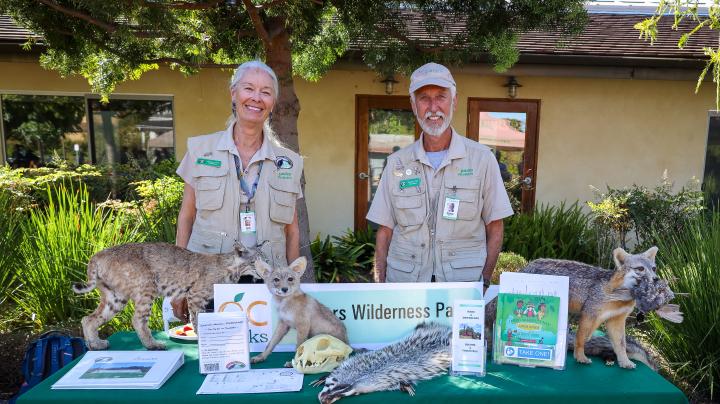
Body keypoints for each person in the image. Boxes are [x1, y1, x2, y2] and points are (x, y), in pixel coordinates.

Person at [171, 60, 304, 321]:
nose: (256, 98)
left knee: (266, 356)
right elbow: (186, 217)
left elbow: (292, 230)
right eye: (249, 89)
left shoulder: (288, 162)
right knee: (211, 356)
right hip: (207, 280)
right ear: (234, 93)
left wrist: (294, 287)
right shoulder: (201, 150)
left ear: (273, 102)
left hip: (268, 284)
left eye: (266, 92)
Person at [366, 62, 513, 288]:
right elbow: (385, 229)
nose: (433, 107)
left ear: (454, 101)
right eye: (424, 98)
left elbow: (495, 226)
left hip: (461, 285)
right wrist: (379, 282)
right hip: (406, 284)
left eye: (441, 97)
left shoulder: (482, 159)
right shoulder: (397, 163)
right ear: (413, 105)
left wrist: (484, 281)